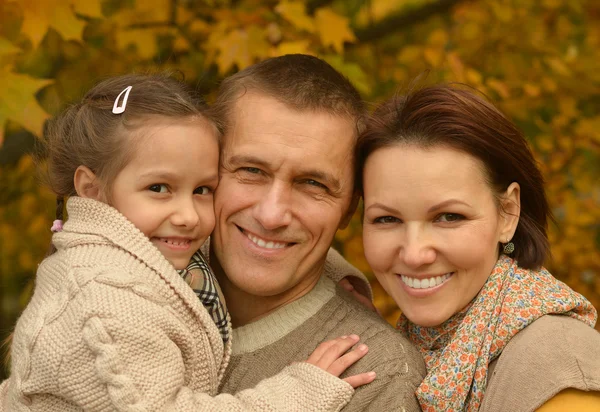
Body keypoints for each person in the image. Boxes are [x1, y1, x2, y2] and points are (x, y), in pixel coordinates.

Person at [0, 73, 377, 412]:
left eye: (202, 189)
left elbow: (266, 240)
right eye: (159, 188)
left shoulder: (138, 250)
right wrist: (300, 392)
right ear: (93, 189)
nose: (188, 216)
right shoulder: (108, 303)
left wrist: (336, 275)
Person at [358, 84, 600, 412]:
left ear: (507, 213)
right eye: (386, 219)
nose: (414, 253)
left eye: (448, 216)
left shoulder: (559, 374)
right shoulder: (419, 346)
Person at [206, 54, 426, 411]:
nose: (272, 214)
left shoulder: (376, 374)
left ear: (349, 210)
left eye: (312, 183)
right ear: (206, 169)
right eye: (251, 170)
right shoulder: (129, 277)